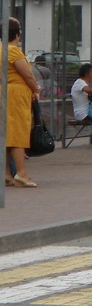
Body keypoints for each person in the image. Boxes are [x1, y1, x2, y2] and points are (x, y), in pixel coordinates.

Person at [5, 18, 42, 188]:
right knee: (19, 133)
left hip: (4, 92)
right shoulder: (13, 51)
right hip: (17, 94)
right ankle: (22, 173)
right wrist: (36, 89)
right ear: (17, 33)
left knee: (6, 133)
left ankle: (6, 173)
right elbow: (27, 74)